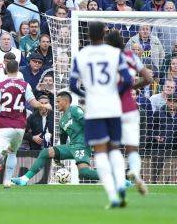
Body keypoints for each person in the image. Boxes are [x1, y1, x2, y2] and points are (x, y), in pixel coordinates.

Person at [69, 22, 133, 208]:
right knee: (114, 148)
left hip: (94, 108)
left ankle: (113, 196)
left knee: (100, 152)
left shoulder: (81, 55)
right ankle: (121, 183)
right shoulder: (115, 53)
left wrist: (86, 94)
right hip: (113, 106)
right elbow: (128, 80)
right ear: (103, 34)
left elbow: (73, 86)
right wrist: (115, 93)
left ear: (88, 35)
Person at [13, 91, 100, 184]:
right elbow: (63, 138)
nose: (56, 104)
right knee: (45, 152)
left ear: (66, 101)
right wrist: (59, 155)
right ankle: (24, 179)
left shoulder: (74, 109)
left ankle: (113, 176)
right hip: (71, 146)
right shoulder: (62, 120)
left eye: (58, 101)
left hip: (82, 146)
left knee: (84, 173)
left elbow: (86, 123)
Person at [106, 30, 153, 195]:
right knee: (132, 148)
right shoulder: (131, 57)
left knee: (113, 147)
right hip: (130, 108)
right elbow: (148, 78)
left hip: (111, 109)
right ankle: (134, 171)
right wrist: (132, 87)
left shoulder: (104, 60)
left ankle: (119, 181)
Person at [0, 59, 46, 188]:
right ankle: (7, 181)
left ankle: (2, 153)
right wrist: (44, 105)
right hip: (20, 126)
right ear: (18, 70)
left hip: (3, 124)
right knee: (13, 152)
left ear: (6, 70)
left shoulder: (1, 84)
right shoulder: (25, 85)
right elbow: (33, 103)